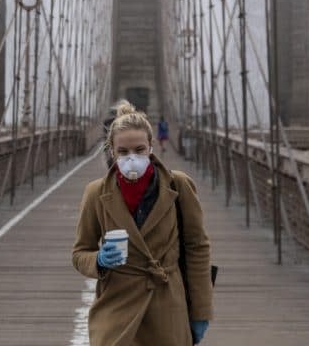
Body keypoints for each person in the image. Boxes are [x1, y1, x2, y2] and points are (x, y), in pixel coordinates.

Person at [72, 101, 213, 345]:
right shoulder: (96, 193)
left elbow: (197, 247)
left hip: (166, 306)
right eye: (123, 152)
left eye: (139, 149)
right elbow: (79, 253)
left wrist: (201, 312)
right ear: (112, 151)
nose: (132, 158)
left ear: (151, 146)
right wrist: (98, 260)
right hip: (116, 306)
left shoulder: (177, 186)